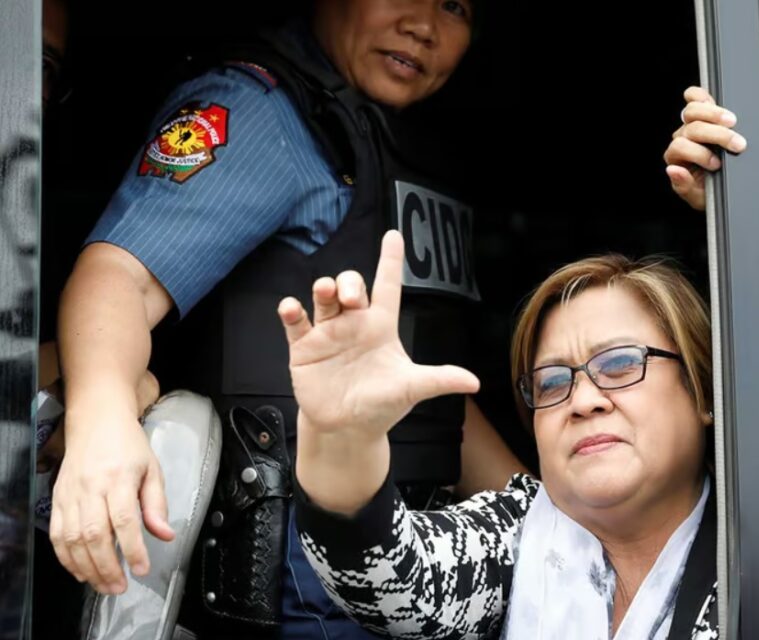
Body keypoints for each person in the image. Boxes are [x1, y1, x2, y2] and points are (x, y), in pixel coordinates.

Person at [50, 1, 526, 637]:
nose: (424, 25)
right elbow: (119, 277)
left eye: (456, 6)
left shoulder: (405, 147)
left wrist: (552, 513)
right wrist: (100, 422)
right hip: (286, 576)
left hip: (417, 557)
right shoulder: (261, 112)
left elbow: (421, 389)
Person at [284, 231, 719, 638]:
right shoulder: (515, 529)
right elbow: (384, 575)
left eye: (620, 363)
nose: (584, 401)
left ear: (703, 391)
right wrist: (343, 437)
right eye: (552, 382)